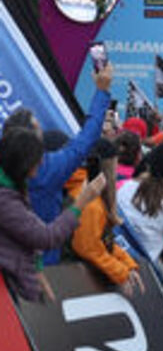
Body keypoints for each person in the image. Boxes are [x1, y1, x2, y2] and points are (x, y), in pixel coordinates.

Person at [0, 60, 115, 258]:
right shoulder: (48, 169)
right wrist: (102, 91)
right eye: (38, 131)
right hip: (44, 265)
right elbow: (85, 140)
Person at [0, 128, 104, 301]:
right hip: (10, 291)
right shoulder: (5, 199)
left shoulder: (13, 186)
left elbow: (29, 236)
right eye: (38, 159)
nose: (42, 163)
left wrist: (37, 267)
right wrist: (81, 202)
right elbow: (46, 237)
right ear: (23, 162)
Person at [69, 137, 142, 293]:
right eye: (114, 168)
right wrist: (121, 273)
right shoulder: (90, 202)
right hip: (75, 282)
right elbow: (89, 247)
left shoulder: (86, 190)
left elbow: (103, 241)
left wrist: (127, 264)